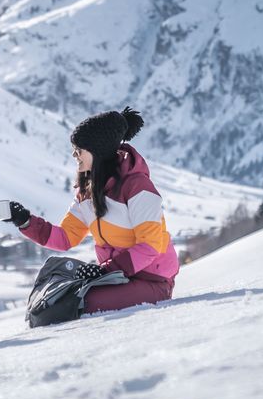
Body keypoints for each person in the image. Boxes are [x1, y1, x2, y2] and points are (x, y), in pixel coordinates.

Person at [10, 106, 177, 315]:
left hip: (152, 279)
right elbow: (65, 238)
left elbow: (150, 246)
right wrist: (25, 221)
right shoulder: (88, 192)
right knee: (61, 296)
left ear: (97, 150)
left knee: (78, 303)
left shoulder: (137, 187)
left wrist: (104, 270)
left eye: (79, 150)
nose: (74, 155)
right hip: (118, 276)